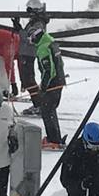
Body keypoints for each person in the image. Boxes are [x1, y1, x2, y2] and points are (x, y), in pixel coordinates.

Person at [34, 20, 67, 150]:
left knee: (47, 111)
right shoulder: (51, 42)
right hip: (59, 80)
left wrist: (43, 88)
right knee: (51, 110)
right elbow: (59, 63)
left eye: (32, 38)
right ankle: (55, 138)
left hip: (52, 83)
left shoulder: (43, 48)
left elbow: (48, 70)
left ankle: (54, 140)